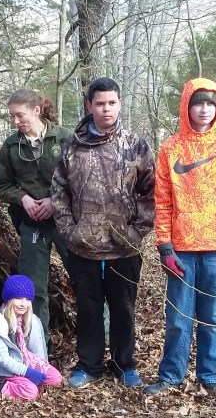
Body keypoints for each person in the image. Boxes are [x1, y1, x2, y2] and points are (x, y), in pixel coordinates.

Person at [142, 78, 216, 400]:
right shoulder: (171, 148)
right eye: (198, 103)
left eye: (210, 104)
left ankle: (211, 375)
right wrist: (164, 245)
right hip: (182, 248)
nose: (204, 110)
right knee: (178, 317)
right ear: (187, 106)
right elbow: (162, 200)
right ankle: (171, 374)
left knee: (212, 316)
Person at [51, 77, 155, 389]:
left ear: (119, 104)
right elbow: (59, 191)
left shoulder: (135, 145)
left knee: (123, 309)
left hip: (124, 247)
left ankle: (124, 365)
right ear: (89, 106)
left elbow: (151, 192)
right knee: (88, 308)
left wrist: (136, 232)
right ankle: (89, 365)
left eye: (111, 102)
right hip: (83, 246)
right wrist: (69, 231)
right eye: (99, 103)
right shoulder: (73, 147)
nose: (106, 109)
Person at [0, 89, 72, 342]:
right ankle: (37, 344)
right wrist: (23, 199)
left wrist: (54, 201)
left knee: (85, 280)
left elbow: (80, 180)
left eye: (20, 115)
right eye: (12, 116)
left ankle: (99, 341)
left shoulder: (65, 139)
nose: (16, 121)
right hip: (32, 223)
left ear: (36, 111)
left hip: (66, 221)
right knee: (32, 288)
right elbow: (1, 185)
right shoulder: (11, 146)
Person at [0, 275, 62, 400]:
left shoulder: (31, 319)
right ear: (9, 300)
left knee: (55, 378)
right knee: (30, 392)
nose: (23, 304)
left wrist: (38, 368)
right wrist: (27, 372)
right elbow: (2, 358)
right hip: (6, 367)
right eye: (18, 299)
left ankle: (24, 382)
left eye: (27, 300)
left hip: (27, 360)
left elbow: (36, 349)